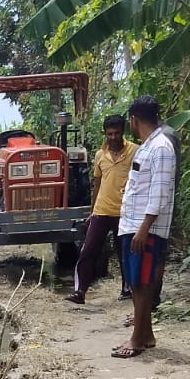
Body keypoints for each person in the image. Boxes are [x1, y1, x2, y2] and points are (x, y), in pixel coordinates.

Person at [113, 94, 177, 358]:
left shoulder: (161, 147)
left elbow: (160, 192)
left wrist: (144, 227)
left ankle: (137, 339)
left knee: (141, 282)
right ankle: (146, 334)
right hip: (134, 223)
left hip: (144, 227)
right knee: (137, 280)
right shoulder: (148, 146)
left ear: (134, 120)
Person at [67, 115, 134, 304]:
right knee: (88, 251)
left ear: (123, 132)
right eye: (110, 133)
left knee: (125, 253)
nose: (113, 137)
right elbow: (97, 184)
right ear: (105, 133)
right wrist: (92, 210)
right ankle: (80, 292)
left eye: (117, 133)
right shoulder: (99, 155)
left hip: (125, 212)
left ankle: (127, 289)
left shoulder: (135, 152)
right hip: (102, 211)